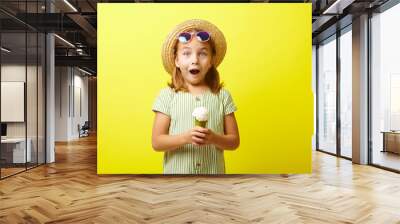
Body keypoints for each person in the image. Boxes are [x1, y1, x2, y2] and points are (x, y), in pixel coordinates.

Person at [152, 19, 239, 174]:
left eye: (203, 53)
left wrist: (213, 138)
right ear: (177, 60)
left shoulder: (223, 96)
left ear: (211, 60)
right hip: (177, 182)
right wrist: (185, 138)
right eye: (186, 53)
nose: (194, 60)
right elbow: (157, 142)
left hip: (213, 179)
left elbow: (234, 142)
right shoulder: (167, 96)